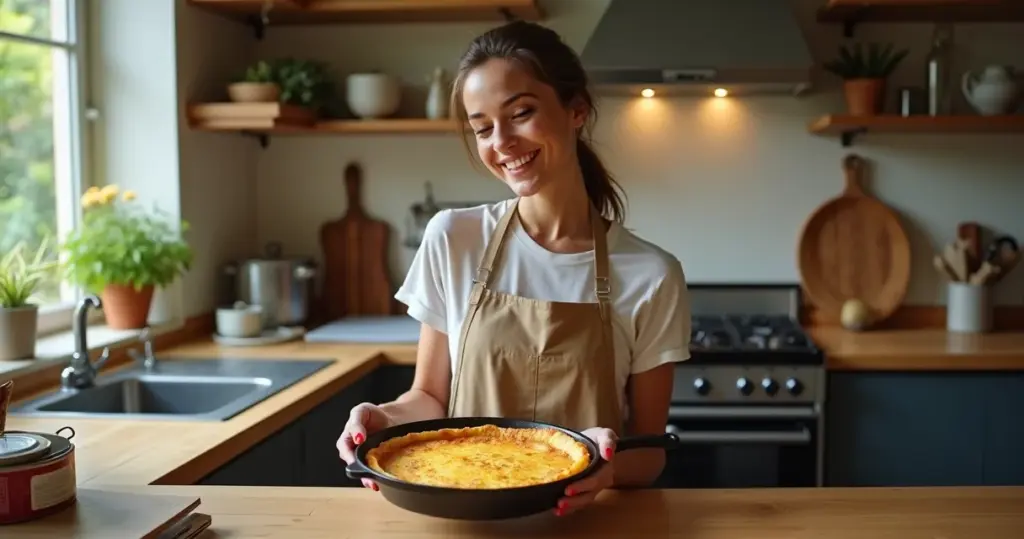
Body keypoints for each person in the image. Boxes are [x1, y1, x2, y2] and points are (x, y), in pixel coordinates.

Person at [337, 20, 691, 516]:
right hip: (463, 519)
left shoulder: (651, 274)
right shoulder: (452, 238)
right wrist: (382, 417)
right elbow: (429, 398)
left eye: (521, 113)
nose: (501, 141)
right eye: (483, 127)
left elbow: (649, 453)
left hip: (584, 523)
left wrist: (605, 466)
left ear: (576, 110)